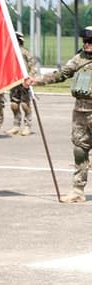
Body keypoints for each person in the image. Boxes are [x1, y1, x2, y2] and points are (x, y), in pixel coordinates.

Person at [25, 25, 92, 203]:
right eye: (85, 41)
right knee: (79, 150)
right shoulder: (79, 59)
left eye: (91, 42)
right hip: (80, 111)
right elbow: (60, 74)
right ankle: (78, 190)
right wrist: (36, 81)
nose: (87, 44)